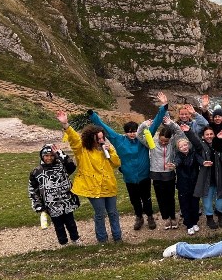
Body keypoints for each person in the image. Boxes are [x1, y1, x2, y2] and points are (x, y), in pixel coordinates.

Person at [88, 91, 168, 231]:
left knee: (147, 198)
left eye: (134, 131)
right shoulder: (119, 140)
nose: (132, 133)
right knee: (135, 200)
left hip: (144, 176)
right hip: (129, 178)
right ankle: (139, 217)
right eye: (129, 131)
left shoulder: (142, 139)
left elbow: (155, 125)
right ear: (125, 132)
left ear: (138, 131)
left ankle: (149, 216)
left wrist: (164, 106)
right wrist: (93, 116)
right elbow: (104, 127)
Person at [56, 110, 123, 243]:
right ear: (90, 138)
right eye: (97, 138)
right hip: (93, 188)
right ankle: (102, 239)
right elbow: (74, 139)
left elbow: (116, 163)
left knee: (113, 213)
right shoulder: (82, 150)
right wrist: (66, 125)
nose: (100, 140)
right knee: (100, 214)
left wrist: (109, 152)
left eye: (102, 137)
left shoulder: (107, 148)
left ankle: (118, 237)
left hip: (108, 186)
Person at [28, 144, 81, 245]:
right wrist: (37, 204)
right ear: (42, 156)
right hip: (51, 205)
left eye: (51, 155)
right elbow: (33, 189)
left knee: (71, 223)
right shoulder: (36, 172)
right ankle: (63, 242)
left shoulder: (62, 166)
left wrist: (61, 154)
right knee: (58, 225)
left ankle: (75, 239)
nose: (49, 158)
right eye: (46, 155)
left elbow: (72, 166)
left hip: (66, 201)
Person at [138, 116, 184, 230]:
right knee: (160, 197)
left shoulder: (172, 143)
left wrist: (171, 123)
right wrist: (144, 124)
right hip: (156, 173)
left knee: (170, 197)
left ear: (170, 140)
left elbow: (180, 132)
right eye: (161, 140)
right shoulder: (152, 142)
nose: (163, 143)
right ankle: (166, 218)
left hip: (169, 173)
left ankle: (173, 217)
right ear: (158, 136)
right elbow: (139, 135)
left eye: (166, 141)